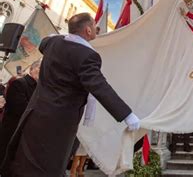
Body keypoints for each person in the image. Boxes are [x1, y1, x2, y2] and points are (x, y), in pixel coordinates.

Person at [1, 13, 140, 177]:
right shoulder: (87, 55)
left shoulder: (52, 43)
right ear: (88, 30)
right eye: (94, 25)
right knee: (47, 166)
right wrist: (127, 114)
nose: (97, 28)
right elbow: (99, 86)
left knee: (26, 162)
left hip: (35, 114)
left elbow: (44, 43)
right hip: (58, 122)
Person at [0, 60, 41, 164]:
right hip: (12, 131)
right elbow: (21, 109)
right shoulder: (19, 83)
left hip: (24, 135)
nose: (41, 71)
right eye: (39, 68)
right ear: (31, 69)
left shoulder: (39, 89)